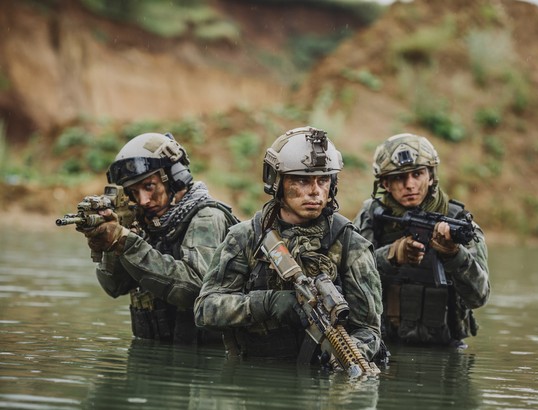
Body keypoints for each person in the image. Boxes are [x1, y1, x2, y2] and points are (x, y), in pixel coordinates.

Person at [194, 126, 384, 366]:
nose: (315, 191)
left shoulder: (350, 245)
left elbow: (369, 330)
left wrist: (346, 357)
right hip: (251, 376)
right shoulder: (246, 237)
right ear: (278, 182)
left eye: (323, 180)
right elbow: (205, 310)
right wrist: (267, 303)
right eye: (302, 180)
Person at [79, 132, 238, 344]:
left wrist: (125, 242)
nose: (143, 200)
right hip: (154, 355)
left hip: (200, 361)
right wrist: (110, 246)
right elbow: (114, 288)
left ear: (175, 177)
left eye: (149, 186)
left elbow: (196, 289)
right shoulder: (148, 222)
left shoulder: (206, 217)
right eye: (134, 192)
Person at [353, 133, 490, 349]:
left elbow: (479, 296)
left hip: (445, 351)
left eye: (417, 174)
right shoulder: (372, 217)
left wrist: (454, 255)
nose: (410, 185)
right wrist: (392, 255)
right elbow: (349, 282)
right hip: (384, 347)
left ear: (431, 176)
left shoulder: (458, 221)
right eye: (399, 177)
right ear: (385, 183)